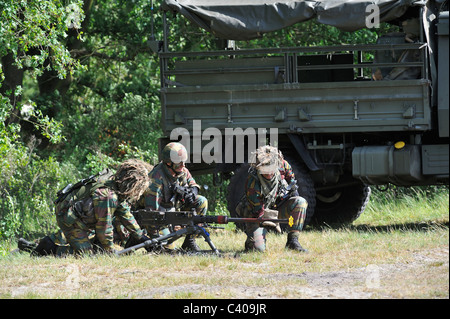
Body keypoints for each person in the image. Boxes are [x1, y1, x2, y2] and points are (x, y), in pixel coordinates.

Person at [18, 159, 152, 256]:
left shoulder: (115, 187)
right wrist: (111, 251)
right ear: (133, 185)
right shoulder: (108, 196)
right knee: (88, 256)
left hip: (79, 216)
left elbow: (125, 213)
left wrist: (141, 236)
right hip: (69, 217)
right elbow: (104, 228)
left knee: (98, 248)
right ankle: (48, 248)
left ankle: (33, 247)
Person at [236, 145, 308, 252]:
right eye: (265, 169)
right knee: (257, 249)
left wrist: (292, 218)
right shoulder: (252, 183)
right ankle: (252, 240)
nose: (269, 173)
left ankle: (293, 240)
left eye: (271, 168)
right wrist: (272, 223)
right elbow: (259, 213)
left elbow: (293, 186)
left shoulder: (283, 166)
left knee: (300, 202)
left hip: (276, 207)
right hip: (255, 215)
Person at [139, 142, 207, 252]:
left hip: (175, 210)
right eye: (179, 163)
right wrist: (156, 240)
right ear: (168, 163)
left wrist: (192, 193)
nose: (183, 165)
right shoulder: (156, 179)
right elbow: (150, 214)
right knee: (169, 250)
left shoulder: (182, 171)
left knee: (201, 201)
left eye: (183, 162)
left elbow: (194, 185)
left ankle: (190, 242)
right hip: (159, 218)